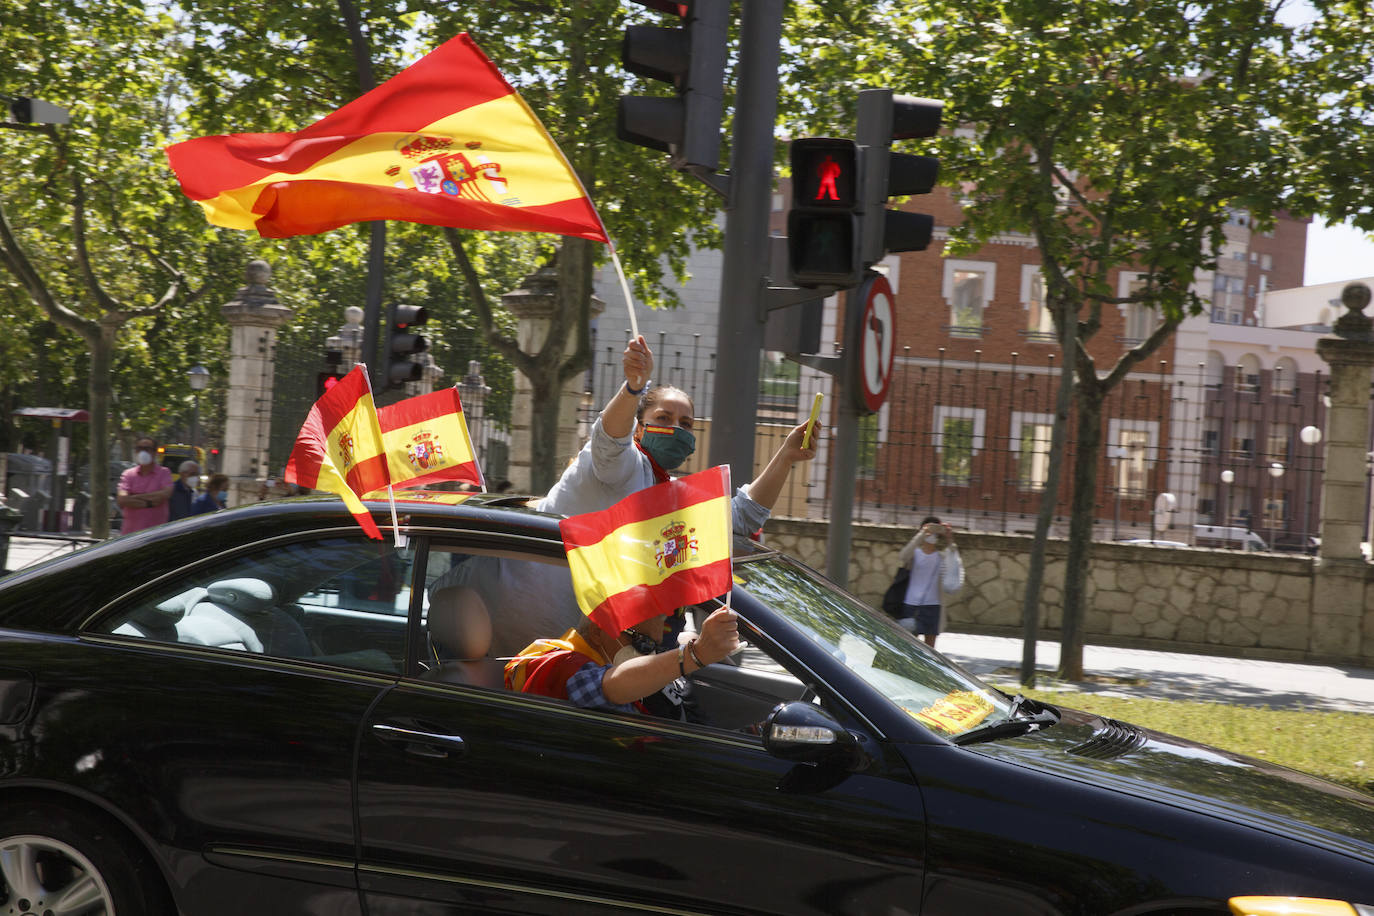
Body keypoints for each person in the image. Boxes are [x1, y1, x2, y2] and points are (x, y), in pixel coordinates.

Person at [538, 334, 819, 534]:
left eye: (685, 423)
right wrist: (633, 388)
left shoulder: (672, 496)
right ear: (638, 429)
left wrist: (786, 456)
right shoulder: (622, 465)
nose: (676, 429)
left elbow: (743, 518)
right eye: (663, 418)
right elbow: (608, 440)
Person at [506, 605, 740, 717]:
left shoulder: (641, 680)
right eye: (642, 643)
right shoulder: (562, 663)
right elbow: (610, 687)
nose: (649, 654)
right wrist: (695, 655)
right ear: (598, 632)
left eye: (655, 647)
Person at [895, 516, 965, 647]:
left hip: (933, 607)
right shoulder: (915, 554)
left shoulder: (942, 556)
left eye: (935, 530)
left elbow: (954, 560)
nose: (932, 533)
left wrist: (949, 538)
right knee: (907, 646)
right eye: (929, 528)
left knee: (930, 651)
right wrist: (922, 534)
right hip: (911, 604)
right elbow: (903, 556)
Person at [116, 436, 174, 534]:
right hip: (130, 535)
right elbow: (122, 499)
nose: (142, 452)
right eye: (139, 449)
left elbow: (165, 494)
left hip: (156, 534)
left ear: (155, 453)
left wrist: (134, 497)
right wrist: (149, 503)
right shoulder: (128, 474)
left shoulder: (164, 473)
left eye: (147, 449)